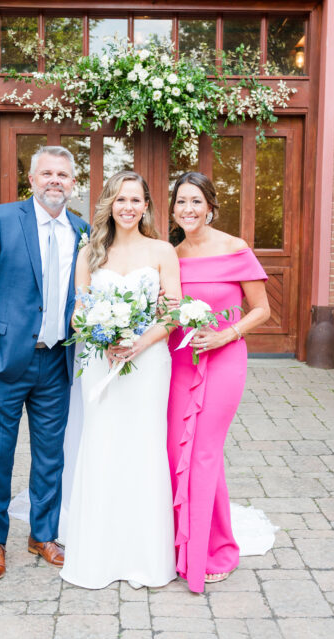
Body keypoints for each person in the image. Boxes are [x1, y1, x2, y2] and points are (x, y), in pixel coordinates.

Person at [0, 146, 91, 580]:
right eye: (46, 173)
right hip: (2, 362)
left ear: (73, 183)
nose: (55, 181)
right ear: (30, 180)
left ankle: (43, 534)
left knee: (51, 456)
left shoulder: (83, 231)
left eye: (63, 175)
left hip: (56, 362)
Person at [60, 171, 181, 589]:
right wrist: (101, 333)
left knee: (143, 446)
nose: (127, 207)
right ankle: (99, 553)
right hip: (100, 360)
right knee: (103, 443)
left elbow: (172, 312)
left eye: (135, 200)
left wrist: (139, 344)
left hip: (148, 363)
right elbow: (79, 309)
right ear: (109, 204)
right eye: (119, 199)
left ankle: (145, 556)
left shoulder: (164, 251)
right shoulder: (90, 252)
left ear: (146, 205)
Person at [167, 171, 271, 593]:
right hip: (181, 361)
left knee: (206, 452)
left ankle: (218, 549)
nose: (188, 209)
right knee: (177, 451)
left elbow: (261, 309)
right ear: (172, 209)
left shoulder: (235, 248)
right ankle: (183, 544)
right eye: (180, 202)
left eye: (196, 201)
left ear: (210, 206)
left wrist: (226, 334)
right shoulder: (170, 255)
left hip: (225, 358)